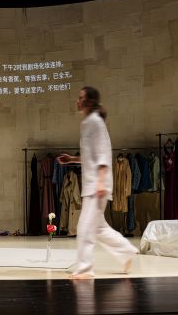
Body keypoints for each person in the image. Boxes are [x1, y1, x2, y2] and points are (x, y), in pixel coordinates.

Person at [57, 86, 138, 279]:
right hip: (92, 185)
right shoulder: (87, 123)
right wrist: (72, 160)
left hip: (97, 185)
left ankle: (85, 269)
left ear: (90, 101)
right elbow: (90, 156)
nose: (77, 101)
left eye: (81, 97)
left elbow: (102, 153)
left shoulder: (95, 122)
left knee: (85, 228)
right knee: (99, 228)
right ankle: (127, 251)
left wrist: (101, 182)